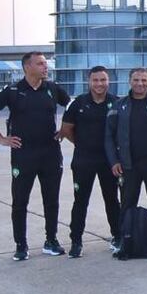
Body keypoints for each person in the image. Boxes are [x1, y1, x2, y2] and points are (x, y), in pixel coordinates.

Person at [0, 51, 71, 261]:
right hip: (24, 155)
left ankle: (51, 240)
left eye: (45, 64)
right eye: (40, 64)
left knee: (51, 200)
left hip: (50, 154)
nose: (45, 67)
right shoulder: (13, 91)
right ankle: (21, 244)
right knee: (20, 201)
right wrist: (1, 138)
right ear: (27, 67)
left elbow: (73, 108)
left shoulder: (53, 89)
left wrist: (65, 130)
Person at [105, 67, 147, 254]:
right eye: (136, 80)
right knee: (127, 203)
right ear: (130, 81)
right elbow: (108, 137)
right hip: (128, 165)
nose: (140, 84)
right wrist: (114, 161)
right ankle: (124, 237)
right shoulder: (119, 106)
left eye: (144, 80)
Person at [60, 65, 121, 257]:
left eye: (103, 80)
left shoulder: (117, 103)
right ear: (89, 81)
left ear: (108, 81)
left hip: (109, 161)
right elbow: (66, 129)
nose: (99, 84)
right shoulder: (78, 103)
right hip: (84, 160)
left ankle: (117, 236)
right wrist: (82, 143)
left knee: (112, 200)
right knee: (81, 201)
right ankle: (76, 241)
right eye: (95, 80)